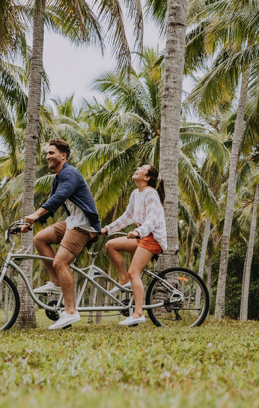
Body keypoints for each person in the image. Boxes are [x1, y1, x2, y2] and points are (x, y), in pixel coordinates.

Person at [20, 138, 101, 330]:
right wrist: (32, 223)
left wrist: (35, 213)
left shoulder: (70, 173)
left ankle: (71, 312)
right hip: (72, 221)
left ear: (63, 156)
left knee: (60, 262)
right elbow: (51, 204)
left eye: (51, 153)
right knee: (40, 239)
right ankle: (56, 282)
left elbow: (59, 197)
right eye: (47, 153)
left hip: (85, 225)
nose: (47, 156)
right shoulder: (58, 177)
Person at [101, 164, 167, 327]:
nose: (136, 167)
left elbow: (152, 219)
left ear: (146, 178)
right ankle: (124, 280)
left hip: (152, 237)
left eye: (142, 168)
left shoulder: (151, 193)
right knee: (111, 245)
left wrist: (138, 231)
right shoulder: (135, 193)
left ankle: (138, 314)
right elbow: (127, 217)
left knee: (134, 272)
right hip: (142, 236)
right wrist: (107, 229)